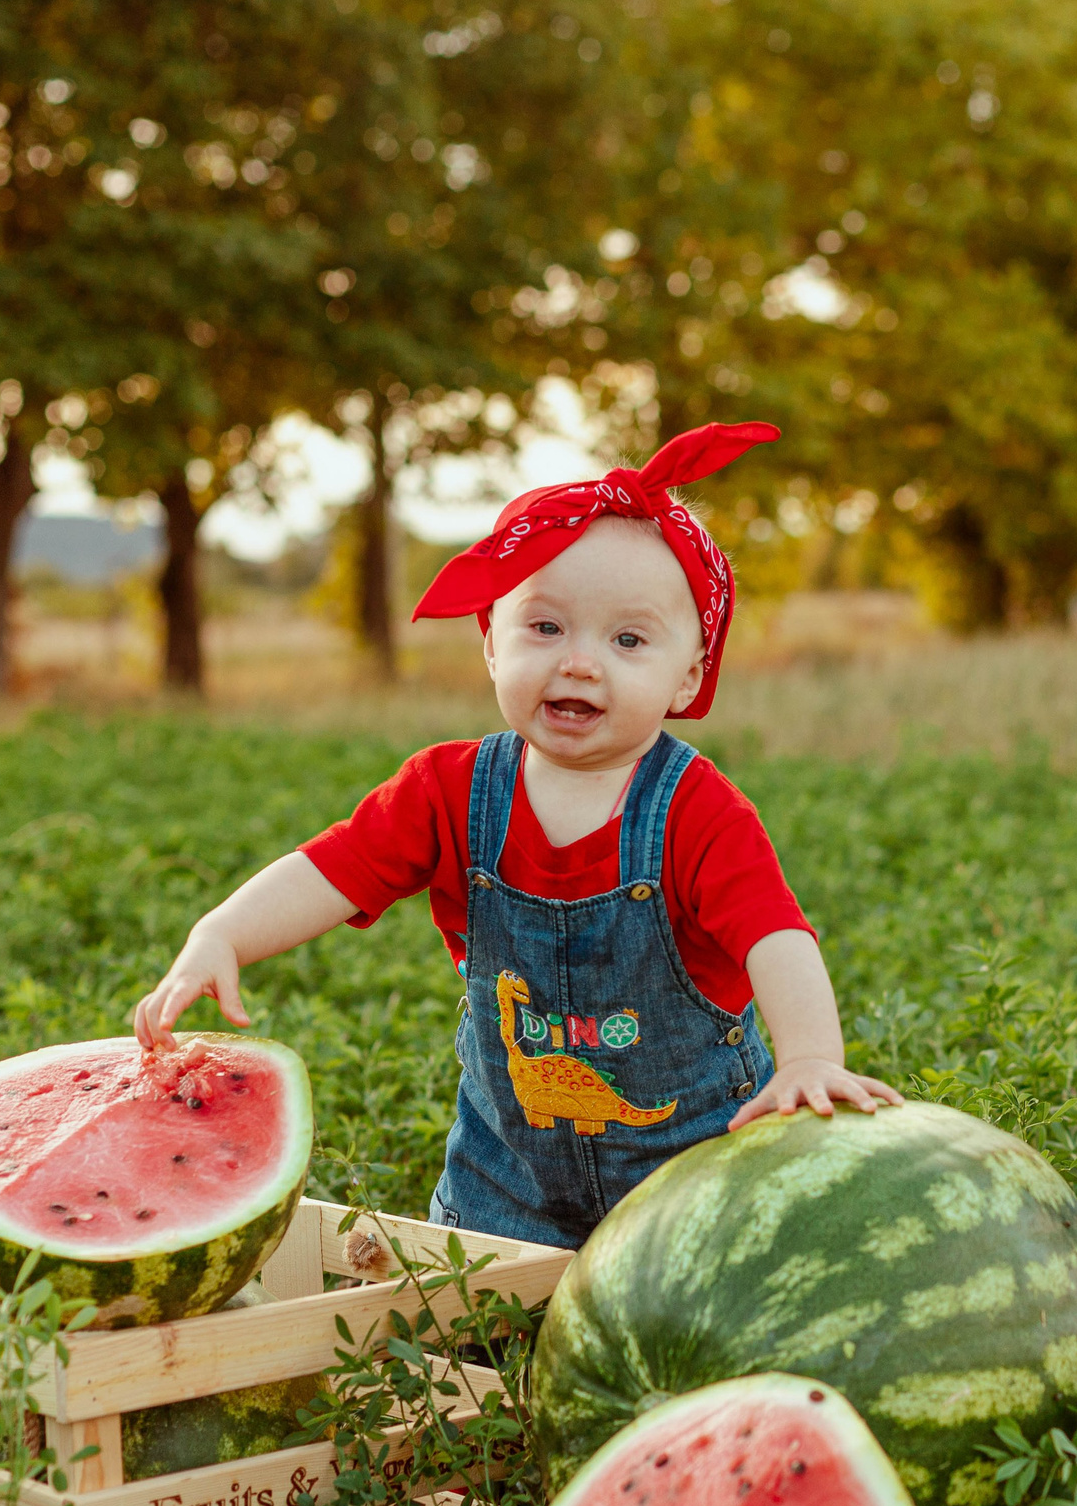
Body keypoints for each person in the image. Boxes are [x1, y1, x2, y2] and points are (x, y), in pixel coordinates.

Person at [130, 422, 901, 1248]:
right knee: (465, 1345)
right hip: (507, 1178)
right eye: (545, 627)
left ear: (690, 675)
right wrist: (223, 934)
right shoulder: (446, 791)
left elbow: (776, 937)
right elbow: (334, 869)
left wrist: (811, 1055)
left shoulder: (698, 811)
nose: (579, 663)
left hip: (694, 1172)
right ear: (490, 639)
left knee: (684, 1329)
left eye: (628, 640)